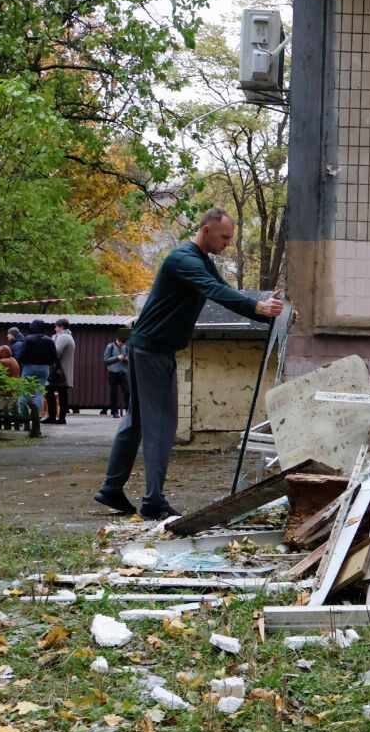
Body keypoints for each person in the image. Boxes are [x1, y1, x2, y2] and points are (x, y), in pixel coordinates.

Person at [95, 207, 289, 520]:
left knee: (138, 421)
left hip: (149, 347)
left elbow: (226, 293)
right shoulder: (183, 259)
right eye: (225, 237)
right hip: (152, 350)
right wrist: (259, 307)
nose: (228, 243)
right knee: (161, 425)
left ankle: (111, 488)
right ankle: (153, 501)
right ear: (206, 229)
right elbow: (214, 291)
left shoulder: (202, 261)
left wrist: (267, 313)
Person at [17, 319, 56, 435]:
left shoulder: (28, 339)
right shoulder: (49, 340)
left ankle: (21, 416)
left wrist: (23, 361)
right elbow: (54, 357)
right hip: (44, 368)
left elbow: (22, 355)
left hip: (29, 367)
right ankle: (36, 417)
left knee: (24, 391)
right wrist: (47, 362)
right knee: (39, 393)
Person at [44, 318, 76, 425]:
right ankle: (58, 417)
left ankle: (56, 417)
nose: (55, 329)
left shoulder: (63, 337)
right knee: (61, 394)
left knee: (52, 392)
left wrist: (48, 350)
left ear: (61, 327)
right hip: (62, 370)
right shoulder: (68, 336)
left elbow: (56, 352)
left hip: (59, 371)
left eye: (56, 326)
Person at [103, 332, 130, 418]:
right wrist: (117, 358)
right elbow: (106, 360)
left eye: (123, 343)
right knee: (114, 393)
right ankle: (114, 411)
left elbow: (128, 361)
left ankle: (128, 411)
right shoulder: (110, 346)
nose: (122, 345)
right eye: (121, 343)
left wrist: (126, 359)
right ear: (118, 340)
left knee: (127, 391)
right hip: (113, 373)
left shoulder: (125, 347)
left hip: (123, 373)